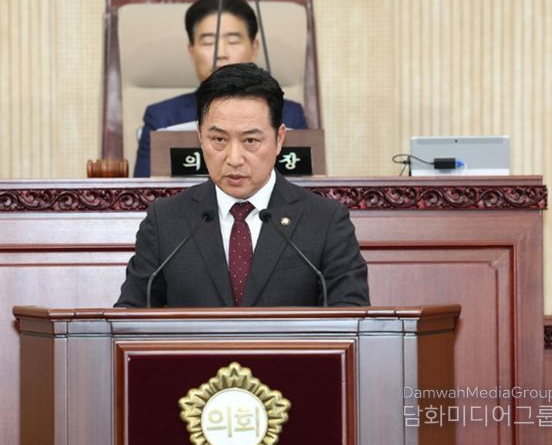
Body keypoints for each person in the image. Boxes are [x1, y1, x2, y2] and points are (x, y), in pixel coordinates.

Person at [115, 63, 369, 308]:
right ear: (200, 137)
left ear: (279, 139)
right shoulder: (166, 221)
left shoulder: (325, 221)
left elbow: (351, 319)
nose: (234, 158)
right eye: (218, 139)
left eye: (250, 141)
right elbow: (129, 319)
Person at [133, 0, 308, 177]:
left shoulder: (290, 115)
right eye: (208, 42)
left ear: (254, 48)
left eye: (233, 41)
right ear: (192, 52)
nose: (221, 53)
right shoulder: (161, 118)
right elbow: (141, 191)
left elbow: (309, 186)